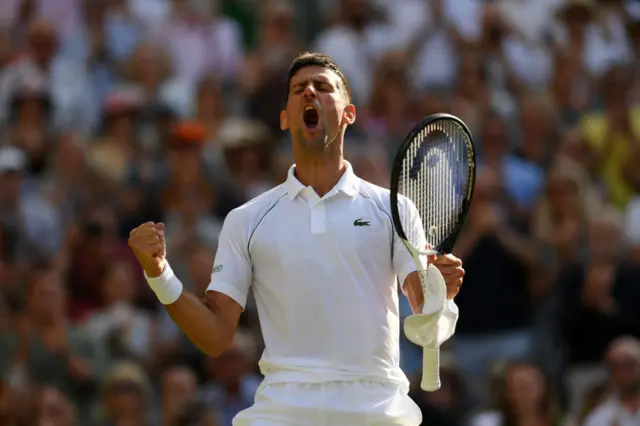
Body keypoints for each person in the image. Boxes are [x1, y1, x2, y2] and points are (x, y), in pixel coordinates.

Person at [128, 52, 465, 425]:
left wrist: (438, 289)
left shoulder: (394, 210)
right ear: (285, 117)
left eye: (323, 87)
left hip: (375, 410)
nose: (309, 92)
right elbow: (215, 337)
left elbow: (422, 305)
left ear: (348, 113)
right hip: (281, 413)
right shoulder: (246, 220)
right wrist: (159, 274)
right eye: (298, 89)